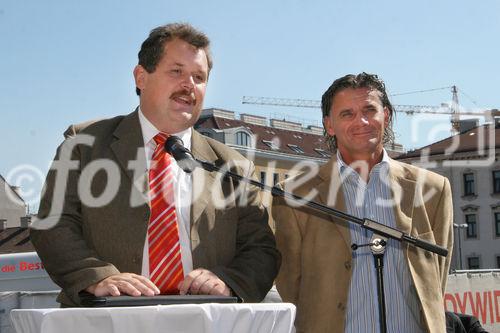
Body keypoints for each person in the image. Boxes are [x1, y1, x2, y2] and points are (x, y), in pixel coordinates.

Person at [30, 23, 280, 307]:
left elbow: (260, 249)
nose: (189, 85)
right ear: (141, 77)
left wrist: (228, 280)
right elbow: (54, 223)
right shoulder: (84, 143)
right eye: (176, 72)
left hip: (205, 319)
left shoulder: (233, 166)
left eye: (199, 77)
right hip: (109, 318)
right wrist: (96, 278)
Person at [273, 73, 453, 333]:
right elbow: (290, 284)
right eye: (347, 113)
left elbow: (436, 279)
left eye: (370, 109)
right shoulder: (293, 196)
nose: (362, 121)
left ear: (386, 116)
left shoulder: (433, 190)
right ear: (329, 125)